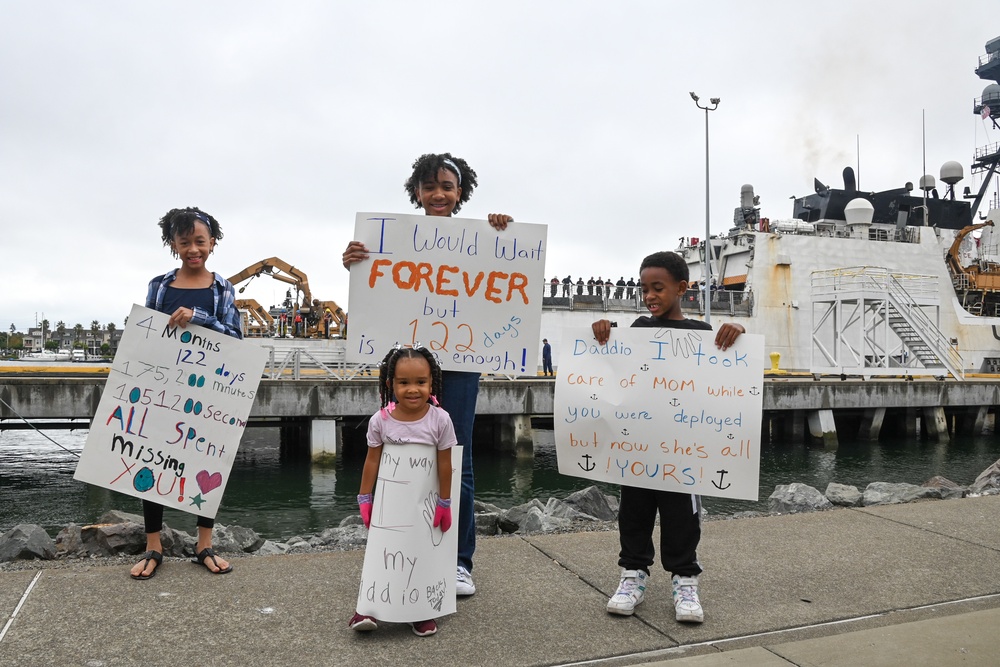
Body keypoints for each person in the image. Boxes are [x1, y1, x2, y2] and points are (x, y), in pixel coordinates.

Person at [342, 152, 512, 597]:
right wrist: (355, 261)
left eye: (448, 186)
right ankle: (400, 548)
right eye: (429, 186)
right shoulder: (389, 239)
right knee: (398, 454)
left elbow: (510, 274)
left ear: (462, 193)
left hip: (458, 365)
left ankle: (458, 560)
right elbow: (375, 290)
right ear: (415, 192)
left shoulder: (483, 237)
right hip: (407, 367)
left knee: (458, 458)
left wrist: (504, 234)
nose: (438, 194)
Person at [592, 250, 745, 625]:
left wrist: (738, 331)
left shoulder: (703, 335)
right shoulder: (636, 332)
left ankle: (685, 577)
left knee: (682, 519)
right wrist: (600, 331)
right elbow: (611, 365)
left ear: (682, 288)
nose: (649, 296)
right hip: (640, 447)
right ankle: (633, 574)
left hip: (684, 451)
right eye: (644, 289)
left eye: (657, 288)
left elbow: (728, 370)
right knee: (634, 514)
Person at [130, 207, 242, 580]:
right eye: (184, 242)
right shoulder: (159, 285)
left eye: (200, 241)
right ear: (173, 244)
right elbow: (144, 333)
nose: (193, 249)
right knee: (154, 458)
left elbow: (236, 339)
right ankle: (153, 545)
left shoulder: (222, 288)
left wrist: (199, 316)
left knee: (207, 463)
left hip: (208, 391)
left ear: (212, 242)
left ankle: (203, 544)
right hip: (162, 389)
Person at [348, 346, 455, 637]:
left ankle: (419, 611)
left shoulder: (440, 420)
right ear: (390, 384)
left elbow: (445, 466)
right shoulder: (380, 421)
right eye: (403, 382)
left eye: (421, 382)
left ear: (432, 383)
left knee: (419, 553)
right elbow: (372, 460)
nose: (413, 390)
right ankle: (368, 607)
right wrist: (365, 497)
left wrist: (445, 502)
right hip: (388, 502)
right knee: (381, 552)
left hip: (424, 504)